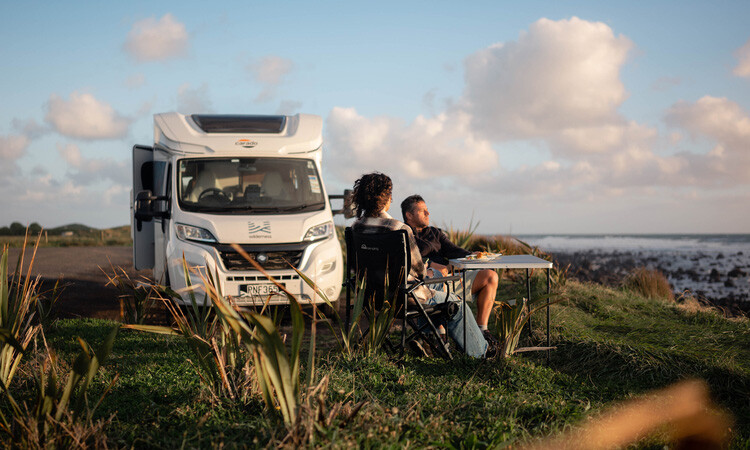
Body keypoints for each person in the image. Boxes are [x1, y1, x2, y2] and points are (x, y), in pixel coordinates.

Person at [350, 172, 490, 358]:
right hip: (403, 299)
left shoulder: (356, 228)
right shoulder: (398, 229)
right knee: (457, 303)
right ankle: (482, 353)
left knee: (435, 290)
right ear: (386, 199)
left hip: (371, 296)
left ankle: (434, 339)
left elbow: (355, 267)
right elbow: (419, 272)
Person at [400, 195, 499, 339]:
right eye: (423, 211)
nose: (428, 214)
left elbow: (455, 251)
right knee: (434, 274)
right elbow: (407, 262)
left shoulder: (435, 233)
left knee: (490, 276)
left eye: (427, 210)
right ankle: (434, 335)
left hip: (448, 279)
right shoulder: (404, 235)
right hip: (425, 285)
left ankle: (482, 331)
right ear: (409, 215)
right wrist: (430, 264)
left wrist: (473, 255)